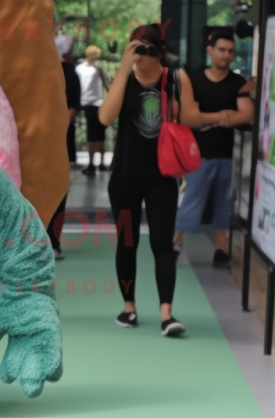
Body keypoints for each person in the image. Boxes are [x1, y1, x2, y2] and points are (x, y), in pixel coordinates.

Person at [99, 23, 198, 336]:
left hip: (161, 177)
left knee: (162, 245)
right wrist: (124, 69)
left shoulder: (175, 78)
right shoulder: (124, 78)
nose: (140, 53)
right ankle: (129, 308)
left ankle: (167, 314)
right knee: (127, 243)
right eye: (135, 47)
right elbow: (104, 117)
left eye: (146, 48)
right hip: (125, 177)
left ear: (159, 50)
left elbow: (189, 119)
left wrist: (220, 116)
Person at [172, 31, 254, 267]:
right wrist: (223, 116)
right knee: (191, 200)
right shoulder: (195, 81)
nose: (226, 55)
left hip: (228, 155)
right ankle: (174, 243)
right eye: (221, 50)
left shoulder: (239, 82)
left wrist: (206, 119)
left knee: (223, 204)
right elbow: (189, 118)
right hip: (197, 155)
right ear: (210, 51)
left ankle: (221, 249)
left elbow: (246, 114)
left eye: (230, 51)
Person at [47, 34, 80, 260]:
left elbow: (73, 105)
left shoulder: (68, 72)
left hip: (59, 140)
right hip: (38, 141)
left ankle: (53, 241)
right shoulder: (40, 70)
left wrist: (57, 129)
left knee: (59, 188)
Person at [76, 45, 110, 173]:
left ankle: (91, 164)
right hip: (99, 104)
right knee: (100, 135)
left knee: (91, 135)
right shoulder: (98, 69)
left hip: (87, 103)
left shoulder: (79, 69)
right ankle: (100, 163)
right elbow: (106, 86)